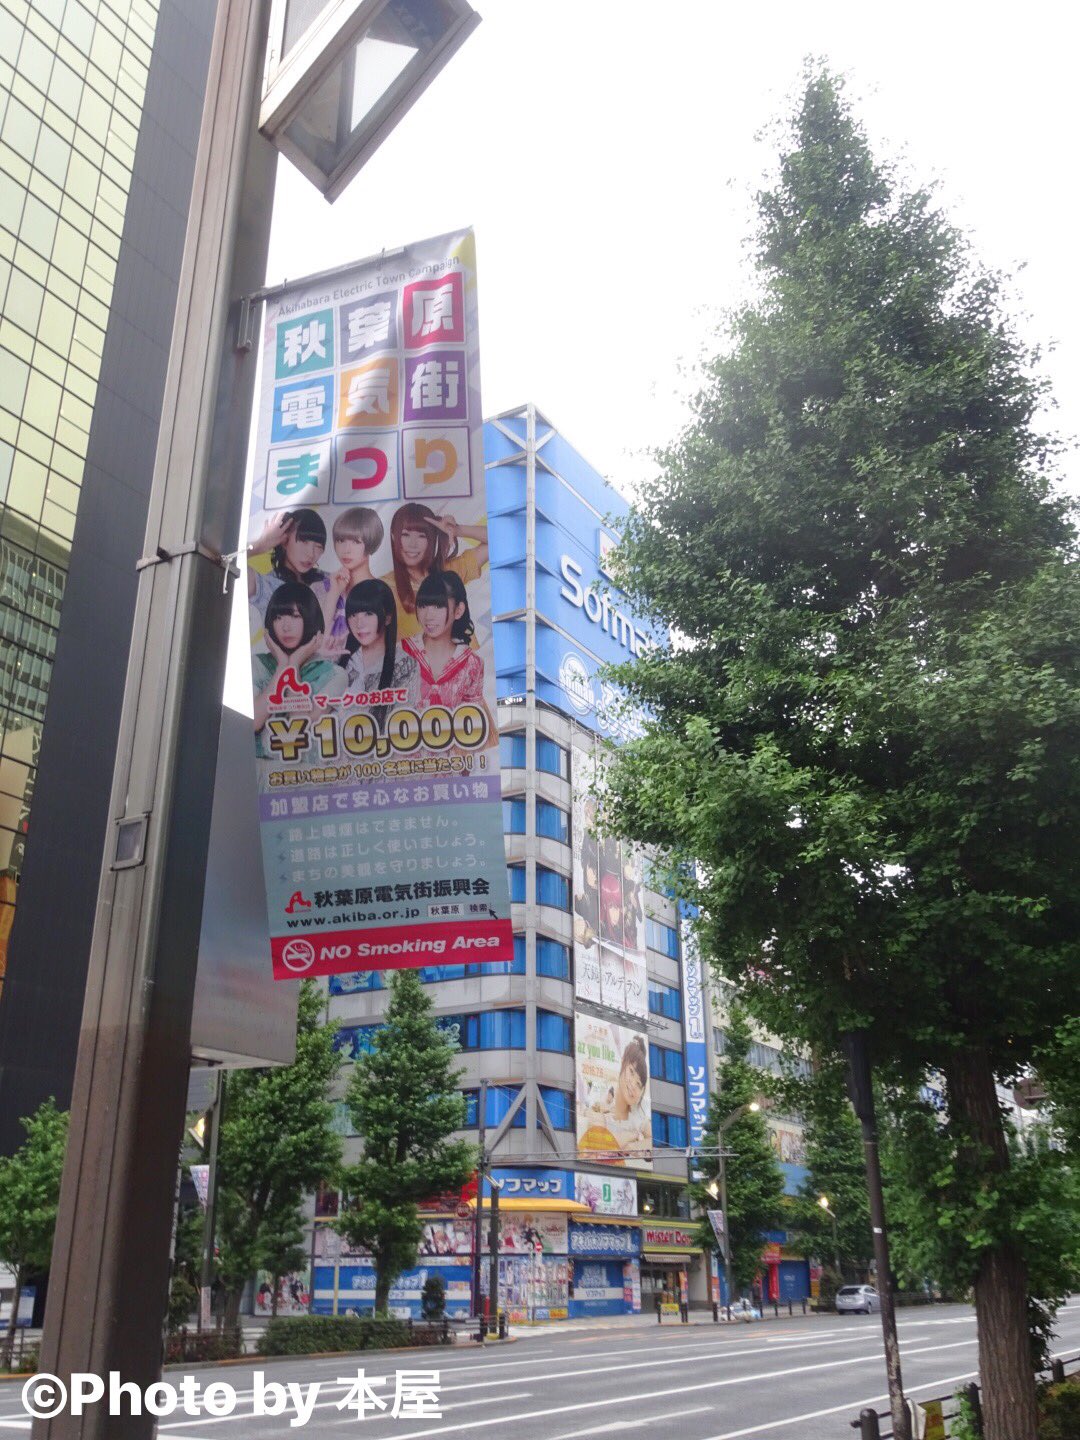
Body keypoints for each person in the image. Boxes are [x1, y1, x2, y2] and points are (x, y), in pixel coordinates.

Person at [253, 583, 343, 756]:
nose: (286, 627)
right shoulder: (258, 664)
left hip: (304, 770)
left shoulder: (334, 675)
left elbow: (300, 728)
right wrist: (282, 667)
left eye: (295, 616)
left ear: (310, 619)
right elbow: (254, 722)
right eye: (278, 617)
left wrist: (293, 664)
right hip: (260, 771)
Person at [382, 502, 488, 639]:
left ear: (432, 539)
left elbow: (499, 538)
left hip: (469, 652)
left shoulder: (450, 572)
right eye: (405, 534)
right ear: (393, 537)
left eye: (421, 536)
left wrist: (456, 530)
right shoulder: (383, 589)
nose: (412, 544)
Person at [401, 571, 488, 711]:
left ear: (458, 610)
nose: (428, 616)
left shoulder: (472, 664)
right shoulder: (401, 652)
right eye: (423, 606)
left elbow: (473, 717)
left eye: (438, 606)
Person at [340, 579, 419, 729]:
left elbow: (401, 726)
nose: (359, 624)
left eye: (368, 613)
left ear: (388, 617)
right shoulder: (342, 660)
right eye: (353, 615)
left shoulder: (405, 666)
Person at [247, 507, 333, 632]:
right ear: (284, 540)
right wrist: (261, 545)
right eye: (304, 541)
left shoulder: (329, 580)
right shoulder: (267, 586)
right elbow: (227, 564)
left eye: (318, 546)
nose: (311, 554)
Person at [322, 507, 385, 656]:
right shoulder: (323, 587)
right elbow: (313, 638)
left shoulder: (381, 592)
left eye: (356, 541)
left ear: (371, 542)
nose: (346, 549)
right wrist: (333, 595)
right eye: (341, 540)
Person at [589, 1035, 649, 1152]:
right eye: (631, 1071)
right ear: (622, 1062)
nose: (633, 1085)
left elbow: (652, 1140)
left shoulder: (639, 1118)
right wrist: (633, 1135)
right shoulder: (600, 1112)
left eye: (638, 1084)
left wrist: (633, 1146)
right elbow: (599, 1145)